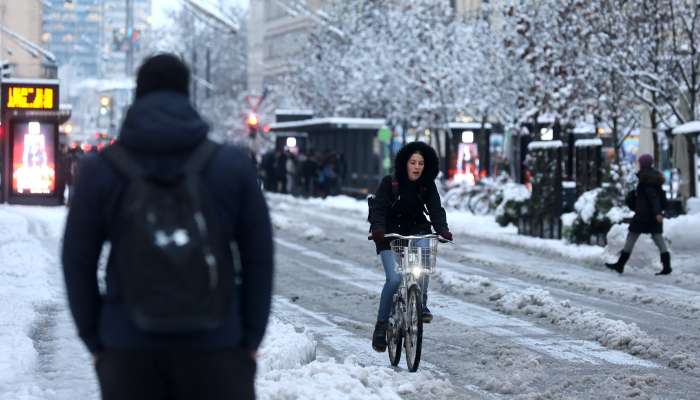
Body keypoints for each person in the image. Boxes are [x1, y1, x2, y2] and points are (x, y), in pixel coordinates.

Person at [61, 53, 274, 400]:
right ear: (186, 93)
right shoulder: (231, 167)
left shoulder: (102, 169)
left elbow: (77, 260)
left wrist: (97, 340)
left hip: (128, 350)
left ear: (138, 93)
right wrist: (248, 339)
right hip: (217, 349)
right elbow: (259, 258)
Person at [368, 141, 452, 352]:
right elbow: (378, 210)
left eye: (421, 163)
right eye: (413, 162)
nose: (416, 167)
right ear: (405, 164)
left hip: (417, 231)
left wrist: (442, 229)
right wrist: (378, 229)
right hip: (389, 235)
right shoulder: (390, 183)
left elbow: (435, 209)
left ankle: (420, 303)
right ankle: (381, 326)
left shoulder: (426, 185)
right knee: (394, 279)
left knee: (424, 260)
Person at [606, 153, 671, 275]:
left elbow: (653, 198)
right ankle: (667, 267)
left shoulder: (646, 179)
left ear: (643, 164)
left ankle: (620, 265)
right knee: (658, 240)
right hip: (649, 216)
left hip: (644, 216)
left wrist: (657, 213)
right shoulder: (652, 177)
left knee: (632, 238)